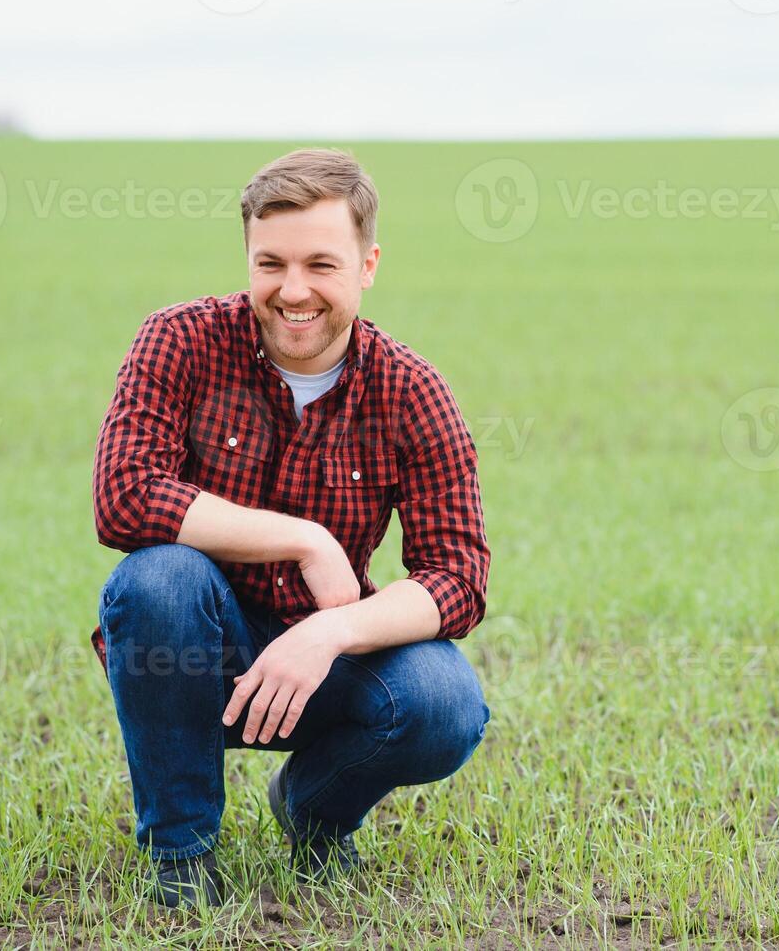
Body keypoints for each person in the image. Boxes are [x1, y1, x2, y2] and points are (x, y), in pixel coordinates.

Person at [89, 148, 491, 909]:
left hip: (327, 663)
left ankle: (313, 812)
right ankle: (181, 854)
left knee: (445, 704)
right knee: (157, 578)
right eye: (270, 263)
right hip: (195, 653)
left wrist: (329, 634)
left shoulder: (411, 390)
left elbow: (459, 577)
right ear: (246, 254)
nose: (293, 290)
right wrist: (308, 538)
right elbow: (125, 496)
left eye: (322, 264)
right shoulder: (179, 341)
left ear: (368, 265)